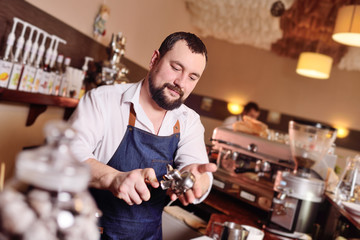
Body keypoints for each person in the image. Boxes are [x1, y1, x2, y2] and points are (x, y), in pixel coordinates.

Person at [68, 32, 217, 240]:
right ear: (154, 59)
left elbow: (199, 171)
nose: (181, 82)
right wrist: (113, 178)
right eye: (176, 68)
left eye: (192, 77)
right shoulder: (103, 101)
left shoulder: (188, 121)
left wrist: (197, 180)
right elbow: (68, 157)